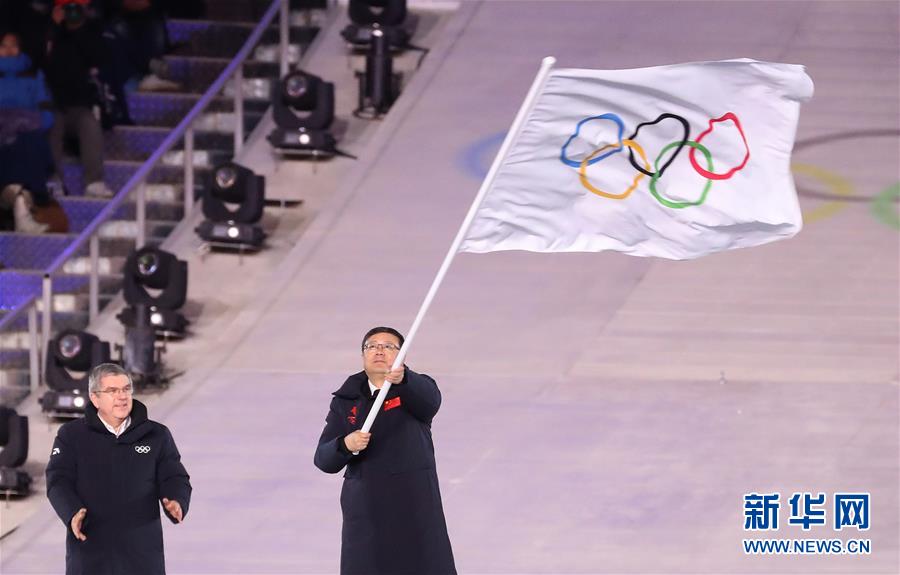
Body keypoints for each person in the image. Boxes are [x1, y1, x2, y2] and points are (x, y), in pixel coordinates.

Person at [314, 326, 456, 575]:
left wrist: (404, 379)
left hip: (413, 505)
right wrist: (345, 445)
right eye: (372, 345)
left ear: (402, 356)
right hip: (366, 510)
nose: (379, 350)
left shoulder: (414, 390)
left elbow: (431, 402)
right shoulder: (346, 400)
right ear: (363, 355)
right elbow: (324, 459)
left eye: (389, 346)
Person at [46, 363, 192, 575]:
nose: (122, 396)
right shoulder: (71, 436)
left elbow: (174, 476)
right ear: (95, 398)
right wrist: (72, 512)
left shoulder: (157, 435)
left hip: (141, 557)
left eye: (126, 389)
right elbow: (58, 480)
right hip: (91, 554)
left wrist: (177, 499)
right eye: (112, 391)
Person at [44, 0, 113, 197]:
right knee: (51, 126)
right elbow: (44, 61)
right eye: (69, 8)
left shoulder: (94, 32)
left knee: (90, 125)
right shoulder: (52, 33)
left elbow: (98, 58)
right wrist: (55, 27)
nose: (72, 12)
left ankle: (94, 182)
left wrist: (79, 29)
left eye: (77, 8)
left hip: (81, 105)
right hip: (54, 104)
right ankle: (54, 180)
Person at [0, 30, 54, 233]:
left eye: (13, 45)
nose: (8, 50)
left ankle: (17, 197)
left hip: (27, 131)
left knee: (29, 143)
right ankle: (21, 206)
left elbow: (46, 112)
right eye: (3, 45)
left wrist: (27, 122)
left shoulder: (34, 75)